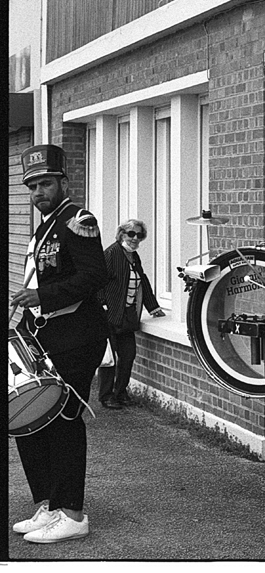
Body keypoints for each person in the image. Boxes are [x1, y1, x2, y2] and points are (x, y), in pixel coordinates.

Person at [10, 144, 109, 543]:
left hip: (78, 335)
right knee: (29, 419)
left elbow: (95, 276)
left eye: (46, 183)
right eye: (32, 186)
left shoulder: (77, 220)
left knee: (63, 421)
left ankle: (72, 513)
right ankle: (47, 504)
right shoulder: (45, 225)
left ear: (63, 182)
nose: (39, 193)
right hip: (45, 335)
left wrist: (43, 297)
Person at [96, 219, 165, 410]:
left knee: (128, 355)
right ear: (121, 234)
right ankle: (106, 396)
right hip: (110, 314)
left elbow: (142, 281)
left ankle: (120, 392)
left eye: (139, 235)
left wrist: (153, 308)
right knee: (110, 359)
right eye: (131, 234)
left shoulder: (133, 256)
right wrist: (101, 305)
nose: (135, 239)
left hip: (127, 315)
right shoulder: (111, 253)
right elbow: (98, 280)